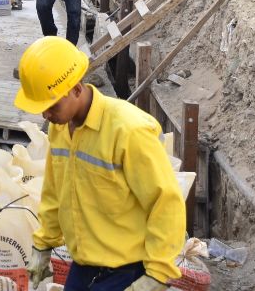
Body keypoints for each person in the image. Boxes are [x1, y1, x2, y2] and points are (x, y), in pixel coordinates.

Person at [17, 37, 185, 291]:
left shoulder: (128, 131)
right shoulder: (60, 129)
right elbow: (54, 191)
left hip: (128, 270)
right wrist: (44, 243)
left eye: (52, 106)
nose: (46, 115)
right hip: (85, 265)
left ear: (76, 88)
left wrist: (157, 274)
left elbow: (165, 202)